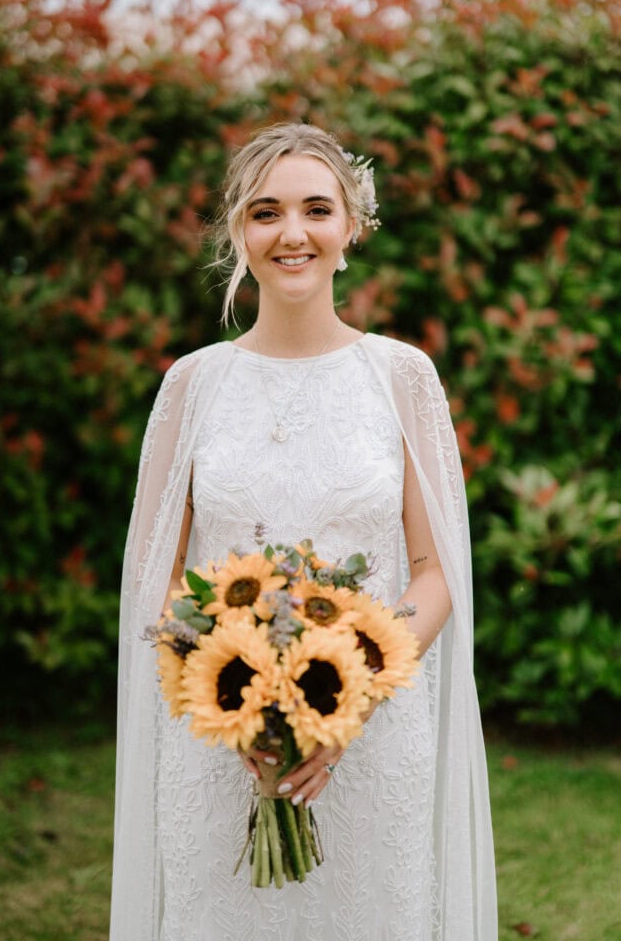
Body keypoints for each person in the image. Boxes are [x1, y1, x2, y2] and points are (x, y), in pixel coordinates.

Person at [109, 123, 497, 940]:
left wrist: (346, 695)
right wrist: (236, 696)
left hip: (373, 731)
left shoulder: (401, 377)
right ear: (238, 232)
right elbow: (156, 571)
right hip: (219, 736)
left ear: (351, 226)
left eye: (316, 209)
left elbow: (434, 568)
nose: (292, 233)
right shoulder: (191, 386)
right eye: (265, 212)